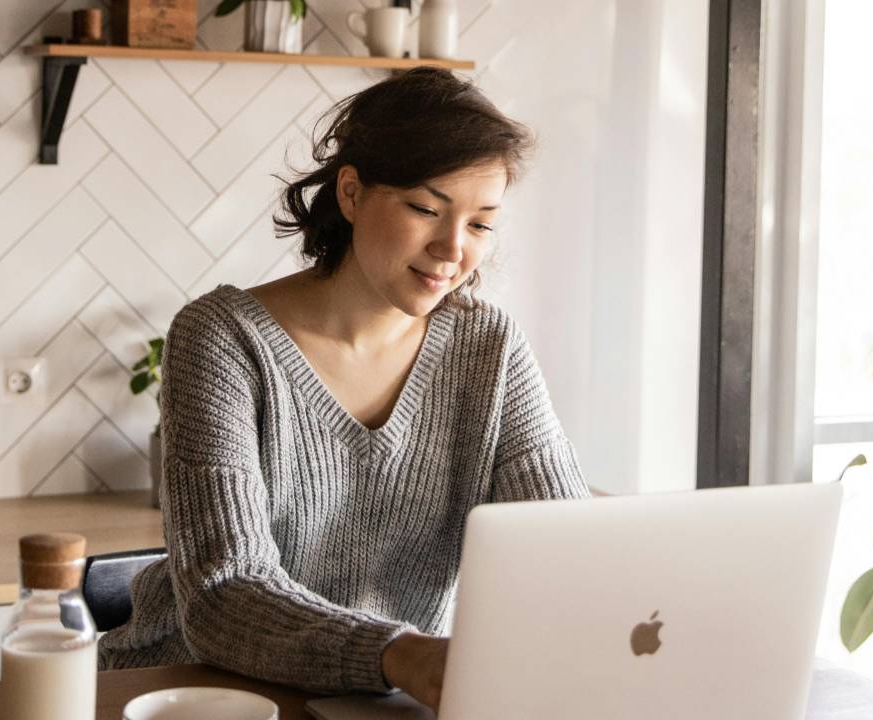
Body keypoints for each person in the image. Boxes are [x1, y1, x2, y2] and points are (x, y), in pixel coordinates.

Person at [95, 66, 591, 713]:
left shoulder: (488, 349)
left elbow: (566, 546)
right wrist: (400, 654)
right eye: (425, 209)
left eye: (480, 224)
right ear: (352, 194)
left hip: (380, 699)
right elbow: (226, 592)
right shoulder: (223, 338)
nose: (452, 249)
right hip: (187, 693)